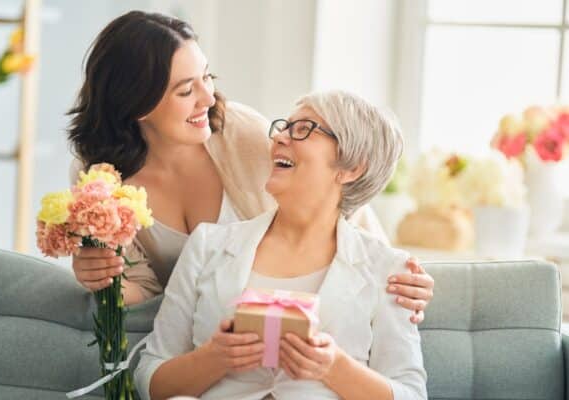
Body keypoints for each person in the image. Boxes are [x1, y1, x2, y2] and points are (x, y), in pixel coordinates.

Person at [67, 11, 434, 323]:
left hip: (294, 318)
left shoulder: (240, 131)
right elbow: (146, 292)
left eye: (206, 77)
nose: (208, 98)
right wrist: (102, 279)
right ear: (137, 105)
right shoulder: (98, 179)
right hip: (204, 334)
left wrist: (395, 276)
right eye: (185, 91)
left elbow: (335, 200)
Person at [134, 90, 427, 400]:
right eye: (284, 127)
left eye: (303, 129)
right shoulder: (208, 245)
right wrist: (214, 358)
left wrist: (334, 367)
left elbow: (411, 394)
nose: (280, 139)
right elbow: (150, 378)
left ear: (352, 168)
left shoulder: (390, 269)